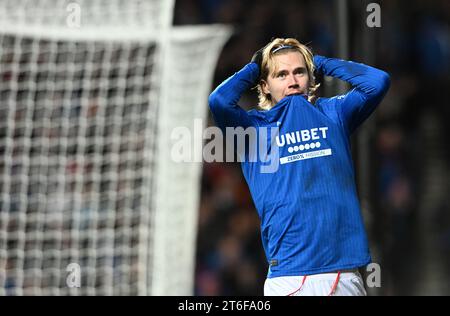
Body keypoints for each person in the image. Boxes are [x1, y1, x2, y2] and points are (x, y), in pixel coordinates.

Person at [208, 38, 390, 296]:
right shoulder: (253, 131)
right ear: (265, 86)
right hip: (290, 277)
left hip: (341, 272)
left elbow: (377, 82)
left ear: (310, 76)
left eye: (299, 71)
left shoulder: (333, 113)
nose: (292, 80)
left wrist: (321, 63)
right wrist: (254, 67)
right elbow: (219, 100)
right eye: (281, 74)